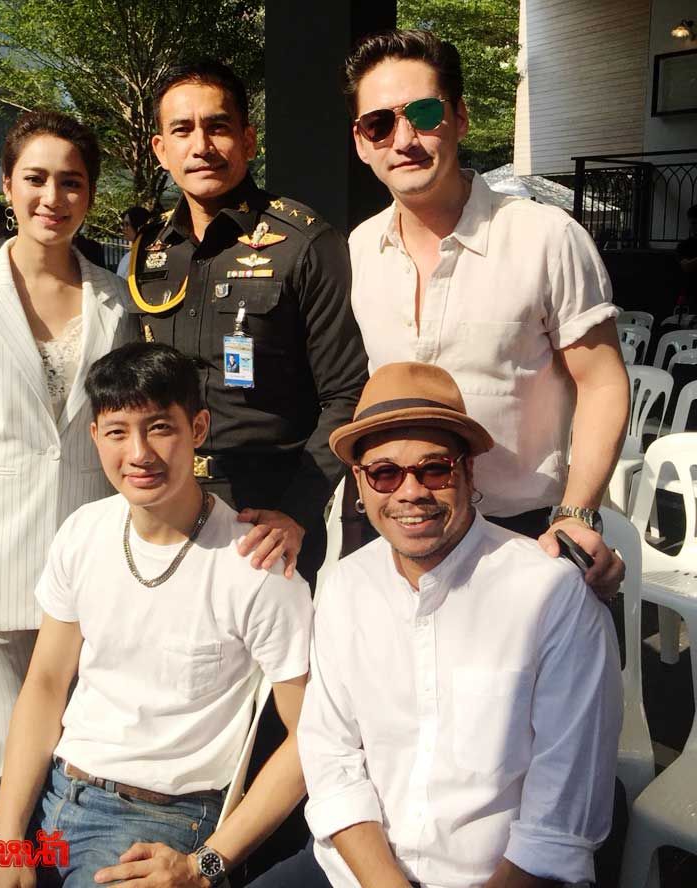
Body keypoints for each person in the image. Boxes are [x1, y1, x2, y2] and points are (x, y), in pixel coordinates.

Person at [0, 342, 312, 888]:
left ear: (198, 428)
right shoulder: (84, 532)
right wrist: (7, 839)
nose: (139, 453)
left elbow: (311, 739)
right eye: (118, 431)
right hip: (42, 796)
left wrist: (205, 866)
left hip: (155, 824)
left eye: (159, 428)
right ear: (95, 436)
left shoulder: (257, 567)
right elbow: (46, 685)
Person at [251, 361, 622, 888]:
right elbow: (331, 759)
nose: (410, 492)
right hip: (358, 872)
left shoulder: (552, 594)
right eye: (384, 473)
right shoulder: (346, 587)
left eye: (434, 469)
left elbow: (562, 820)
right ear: (359, 483)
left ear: (469, 472)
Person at [342, 30, 628, 596]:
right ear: (362, 141)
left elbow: (602, 381)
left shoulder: (545, 237)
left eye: (424, 114)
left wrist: (577, 513)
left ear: (460, 118)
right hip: (401, 527)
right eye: (380, 124)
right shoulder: (359, 249)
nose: (405, 139)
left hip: (524, 532)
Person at [0, 110, 132, 780]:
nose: (52, 197)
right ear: (8, 186)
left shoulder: (115, 299)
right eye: (35, 179)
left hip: (94, 561)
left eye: (71, 182)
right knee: (7, 759)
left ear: (89, 194)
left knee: (86, 757)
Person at [128, 59, 367, 589]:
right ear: (160, 149)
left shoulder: (306, 244)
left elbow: (347, 393)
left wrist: (298, 510)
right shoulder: (149, 253)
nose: (201, 146)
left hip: (266, 518)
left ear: (249, 139)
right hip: (165, 506)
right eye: (182, 130)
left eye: (217, 126)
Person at [116, 205, 152, 278]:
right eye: (123, 224)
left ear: (139, 226)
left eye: (127, 224)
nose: (124, 228)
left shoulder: (149, 255)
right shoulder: (128, 257)